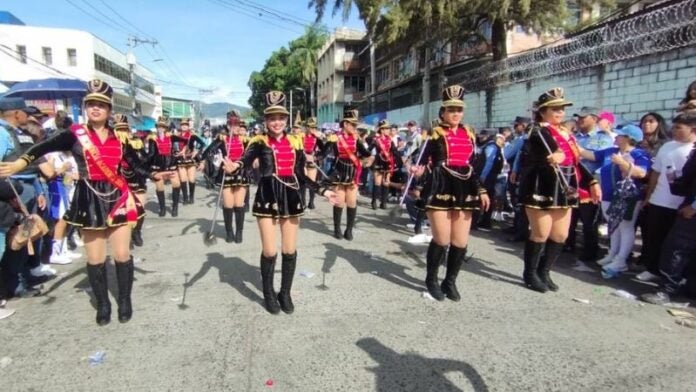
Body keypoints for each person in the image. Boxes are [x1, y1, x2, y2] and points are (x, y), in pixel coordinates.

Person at [0, 80, 152, 325]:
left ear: (109, 110)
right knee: (96, 258)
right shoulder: (75, 135)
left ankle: (125, 300)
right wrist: (20, 163)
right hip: (89, 198)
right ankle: (103, 304)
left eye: (101, 105)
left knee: (122, 253)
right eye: (91, 104)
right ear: (85, 107)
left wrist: (156, 174)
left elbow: (136, 166)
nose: (96, 109)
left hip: (117, 198)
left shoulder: (120, 138)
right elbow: (43, 147)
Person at [224, 91, 336, 314]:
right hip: (267, 196)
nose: (276, 122)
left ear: (286, 120)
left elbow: (301, 175)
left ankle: (285, 293)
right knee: (269, 250)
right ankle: (268, 293)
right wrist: (235, 166)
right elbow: (245, 160)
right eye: (272, 118)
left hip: (291, 196)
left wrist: (323, 190)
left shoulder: (296, 142)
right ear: (266, 120)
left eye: (281, 118)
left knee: (289, 249)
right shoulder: (259, 141)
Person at [410, 84, 490, 301]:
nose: (456, 114)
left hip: (465, 188)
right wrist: (416, 171)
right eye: (451, 109)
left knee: (460, 241)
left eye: (459, 109)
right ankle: (432, 279)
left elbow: (473, 166)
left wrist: (481, 189)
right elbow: (420, 158)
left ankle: (450, 281)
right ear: (443, 112)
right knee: (442, 238)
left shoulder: (469, 134)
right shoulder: (435, 134)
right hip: (440, 185)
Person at [518, 88, 600, 293]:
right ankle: (530, 273)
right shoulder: (537, 130)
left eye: (562, 108)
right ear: (543, 111)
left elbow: (575, 161)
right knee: (540, 233)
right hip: (541, 184)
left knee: (561, 235)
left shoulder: (567, 133)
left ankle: (544, 271)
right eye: (554, 108)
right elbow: (541, 153)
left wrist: (591, 182)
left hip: (564, 185)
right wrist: (555, 156)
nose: (559, 112)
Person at [580, 124, 651, 276]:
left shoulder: (640, 154)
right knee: (613, 226)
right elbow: (589, 155)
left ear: (629, 139)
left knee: (626, 227)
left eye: (620, 135)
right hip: (607, 195)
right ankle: (612, 254)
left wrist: (622, 162)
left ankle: (621, 260)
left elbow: (641, 173)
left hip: (627, 197)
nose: (616, 137)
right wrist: (571, 143)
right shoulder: (611, 151)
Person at [641, 110, 696, 305]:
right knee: (671, 246)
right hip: (675, 203)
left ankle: (668, 289)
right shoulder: (675, 148)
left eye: (678, 127)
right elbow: (684, 183)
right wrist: (675, 181)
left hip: (689, 210)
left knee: (676, 249)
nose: (673, 130)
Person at [198, 114, 251, 243]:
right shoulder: (223, 139)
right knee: (228, 204)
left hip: (241, 174)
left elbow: (252, 155)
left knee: (239, 205)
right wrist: (204, 161)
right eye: (233, 125)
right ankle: (229, 231)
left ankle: (239, 232)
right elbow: (207, 151)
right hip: (226, 175)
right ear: (228, 126)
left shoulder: (245, 140)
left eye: (238, 125)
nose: (236, 128)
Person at [323, 108, 372, 240]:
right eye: (353, 125)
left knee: (351, 202)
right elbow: (323, 152)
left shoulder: (356, 140)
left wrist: (365, 159)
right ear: (345, 124)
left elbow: (367, 154)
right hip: (339, 173)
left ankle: (349, 229)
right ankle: (337, 228)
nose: (355, 127)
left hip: (352, 174)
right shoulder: (335, 138)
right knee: (339, 202)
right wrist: (326, 142)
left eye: (356, 125)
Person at [113, 114, 150, 247]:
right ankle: (126, 236)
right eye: (119, 130)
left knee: (140, 207)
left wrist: (149, 168)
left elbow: (143, 159)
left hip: (136, 177)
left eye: (124, 129)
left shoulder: (135, 142)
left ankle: (137, 232)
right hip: (119, 180)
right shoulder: (112, 144)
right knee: (125, 210)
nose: (122, 133)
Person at [147, 116, 185, 217]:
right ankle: (162, 207)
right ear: (157, 127)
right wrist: (144, 164)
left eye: (163, 127)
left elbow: (185, 140)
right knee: (159, 186)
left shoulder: (171, 137)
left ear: (166, 128)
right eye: (159, 126)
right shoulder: (152, 139)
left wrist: (182, 151)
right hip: (158, 166)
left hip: (171, 164)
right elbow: (151, 154)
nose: (161, 128)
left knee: (176, 184)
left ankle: (175, 207)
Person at [370, 120, 401, 210]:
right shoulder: (376, 140)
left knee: (386, 182)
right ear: (382, 130)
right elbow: (369, 149)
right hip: (379, 161)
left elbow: (394, 151)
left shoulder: (390, 140)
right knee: (377, 182)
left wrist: (400, 161)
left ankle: (383, 202)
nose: (389, 130)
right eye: (387, 128)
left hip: (388, 162)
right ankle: (374, 201)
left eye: (388, 128)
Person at [174, 118, 206, 205]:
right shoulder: (176, 136)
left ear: (188, 126)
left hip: (190, 159)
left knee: (191, 179)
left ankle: (191, 196)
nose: (184, 126)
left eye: (186, 125)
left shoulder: (192, 135)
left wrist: (196, 151)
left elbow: (203, 144)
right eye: (182, 125)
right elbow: (171, 147)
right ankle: (185, 198)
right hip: (181, 159)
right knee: (183, 179)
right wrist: (176, 153)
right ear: (180, 126)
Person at [300, 117, 323, 209]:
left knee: (312, 182)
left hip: (312, 161)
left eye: (314, 127)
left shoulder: (317, 138)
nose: (313, 129)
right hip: (302, 161)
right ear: (307, 127)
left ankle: (311, 201)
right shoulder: (301, 136)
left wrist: (316, 156)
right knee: (303, 182)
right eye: (311, 127)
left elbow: (324, 149)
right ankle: (303, 202)